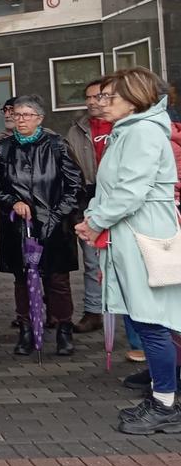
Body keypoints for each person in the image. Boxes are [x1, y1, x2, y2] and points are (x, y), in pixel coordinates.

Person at [75, 68, 181, 434]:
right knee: (149, 320)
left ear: (134, 99)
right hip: (133, 233)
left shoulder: (142, 132)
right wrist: (94, 217)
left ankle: (165, 403)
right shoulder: (130, 131)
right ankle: (163, 395)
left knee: (153, 322)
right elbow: (112, 188)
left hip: (143, 236)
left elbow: (130, 191)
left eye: (109, 96)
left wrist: (95, 221)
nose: (100, 103)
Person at [0, 96, 83, 357]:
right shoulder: (4, 148)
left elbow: (75, 186)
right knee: (23, 278)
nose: (21, 120)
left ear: (39, 118)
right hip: (18, 226)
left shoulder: (57, 145)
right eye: (17, 115)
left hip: (54, 224)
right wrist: (13, 202)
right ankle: (26, 329)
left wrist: (56, 215)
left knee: (57, 279)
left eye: (27, 115)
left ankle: (63, 329)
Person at [65, 80, 114, 335]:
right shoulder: (77, 129)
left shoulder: (123, 125)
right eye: (88, 97)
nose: (93, 101)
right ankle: (93, 311)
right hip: (87, 199)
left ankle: (134, 315)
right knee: (92, 260)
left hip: (118, 198)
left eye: (98, 96)